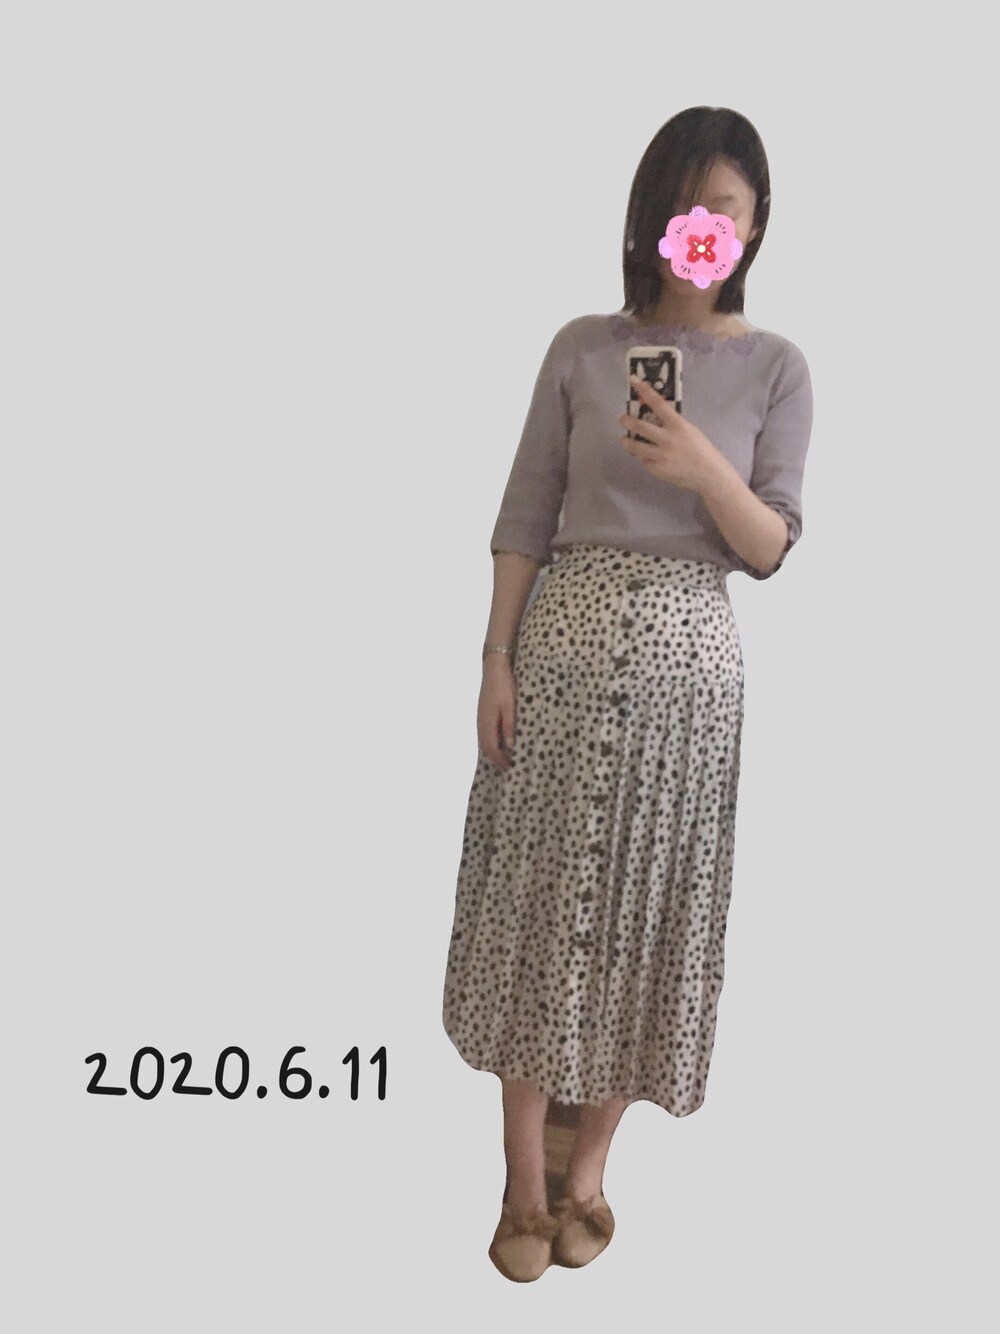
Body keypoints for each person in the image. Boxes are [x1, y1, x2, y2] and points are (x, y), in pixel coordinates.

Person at [441, 105, 814, 1283]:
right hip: (559, 654)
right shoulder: (582, 347)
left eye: (726, 210)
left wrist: (699, 463)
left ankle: (590, 1168)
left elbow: (770, 544)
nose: (703, 227)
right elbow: (524, 514)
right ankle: (522, 1177)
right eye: (685, 206)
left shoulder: (776, 367)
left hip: (689, 681)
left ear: (754, 227)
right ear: (652, 217)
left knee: (650, 919)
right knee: (534, 905)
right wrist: (494, 658)